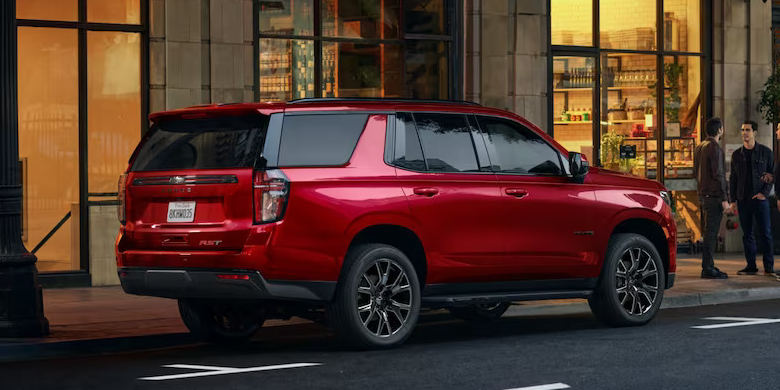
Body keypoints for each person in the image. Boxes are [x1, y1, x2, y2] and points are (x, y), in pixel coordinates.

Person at [730, 120, 775, 276]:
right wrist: (733, 200)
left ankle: (769, 266)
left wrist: (764, 193)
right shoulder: (737, 155)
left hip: (760, 200)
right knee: (747, 234)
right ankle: (751, 266)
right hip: (743, 200)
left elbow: (772, 175)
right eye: (743, 130)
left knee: (765, 233)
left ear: (754, 132)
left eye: (748, 130)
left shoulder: (766, 152)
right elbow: (733, 179)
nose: (744, 133)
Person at [694, 118, 729, 279]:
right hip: (713, 196)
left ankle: (709, 265)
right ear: (720, 130)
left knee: (708, 231)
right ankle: (707, 268)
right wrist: (724, 198)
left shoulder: (699, 147)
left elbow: (695, 172)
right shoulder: (715, 148)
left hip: (703, 194)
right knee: (711, 233)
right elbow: (719, 175)